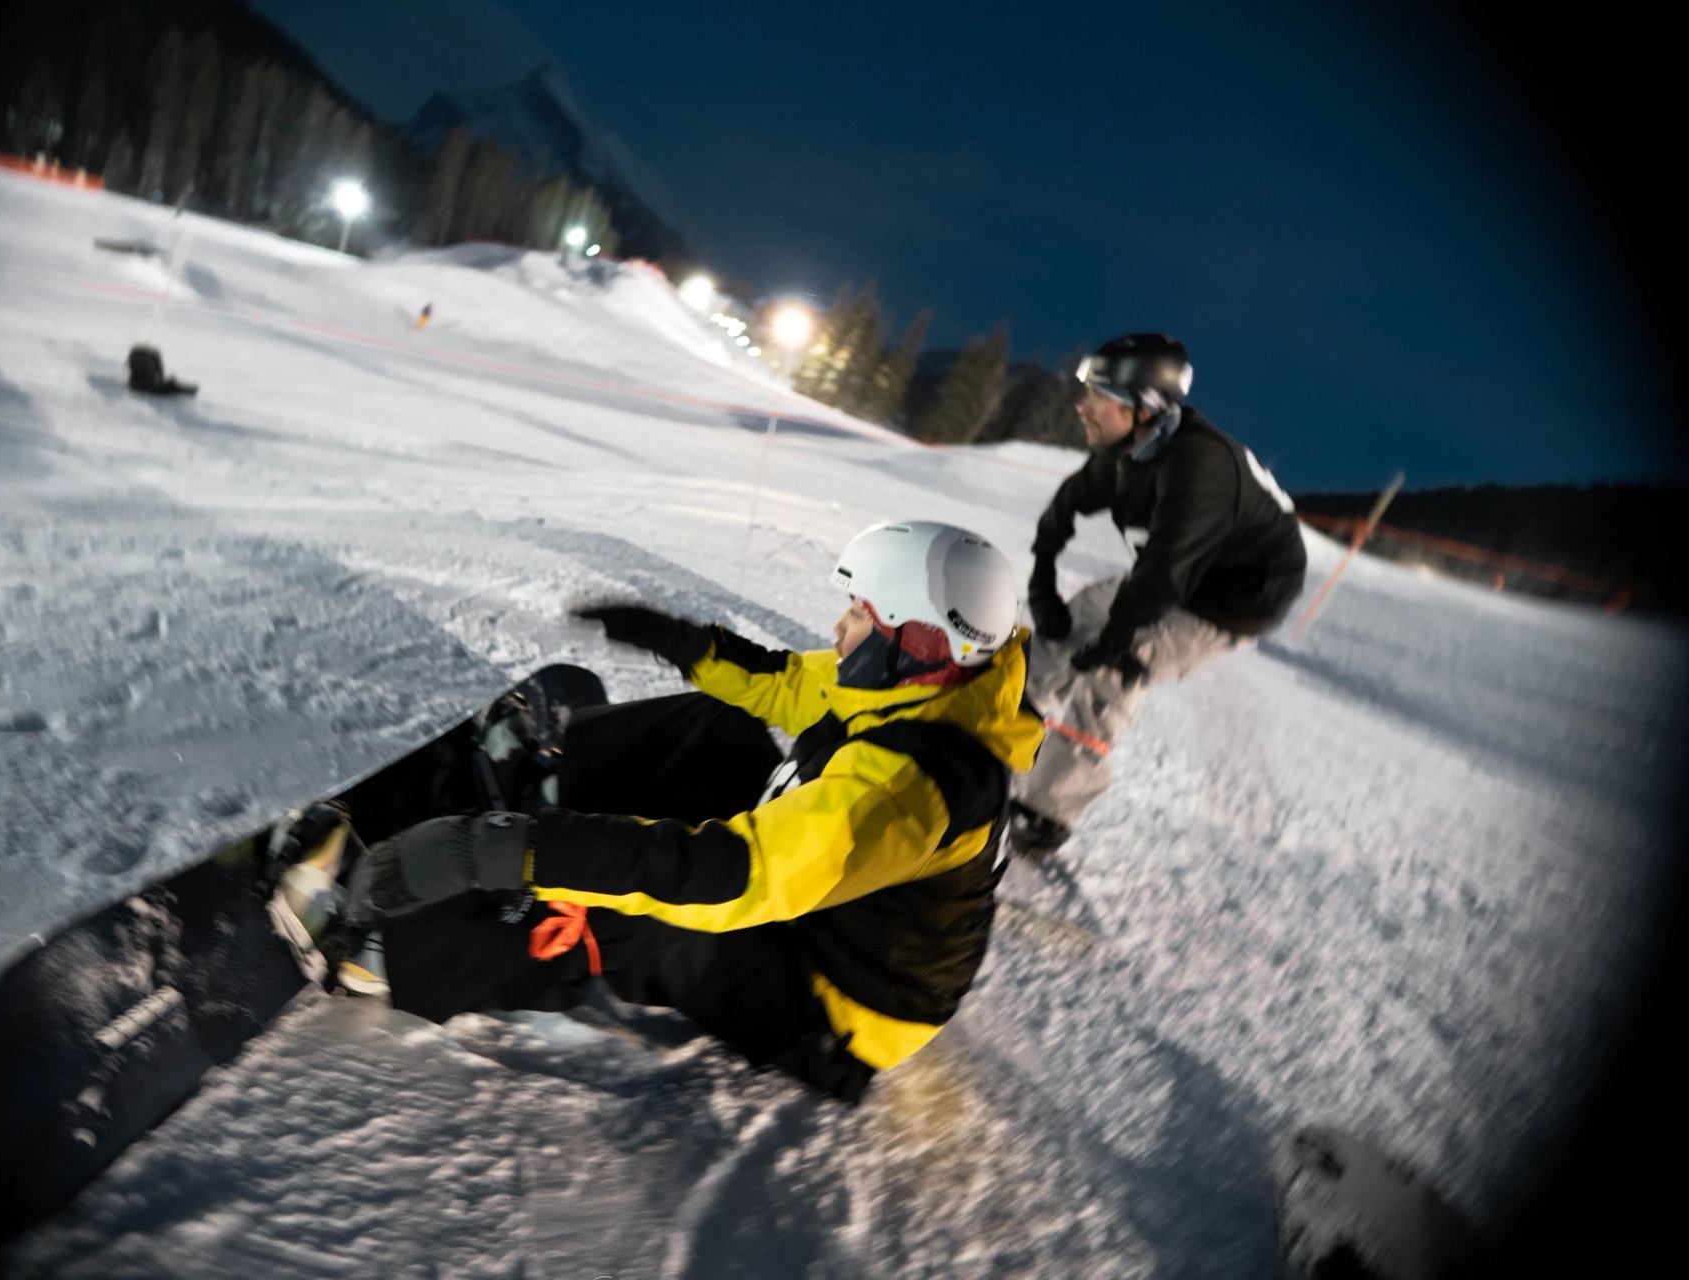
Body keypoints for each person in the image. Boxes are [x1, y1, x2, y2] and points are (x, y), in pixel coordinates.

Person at [280, 521, 1044, 1102]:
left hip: (834, 1004)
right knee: (717, 730)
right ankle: (548, 783)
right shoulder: (935, 685)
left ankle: (380, 952)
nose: (838, 631)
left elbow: (729, 878)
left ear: (915, 641)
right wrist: (678, 640)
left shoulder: (915, 787)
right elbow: (785, 682)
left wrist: (500, 852)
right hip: (827, 905)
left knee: (651, 912)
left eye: (859, 616)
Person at [1011, 333, 1308, 856]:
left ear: (1144, 408)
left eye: (1099, 395)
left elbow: (1162, 578)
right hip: (1176, 572)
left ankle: (1046, 813)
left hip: (1234, 598)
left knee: (1117, 665)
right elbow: (1064, 508)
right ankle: (1001, 727)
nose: (1083, 405)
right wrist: (1042, 587)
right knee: (1076, 619)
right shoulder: (1126, 450)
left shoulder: (1198, 468)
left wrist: (1113, 641)